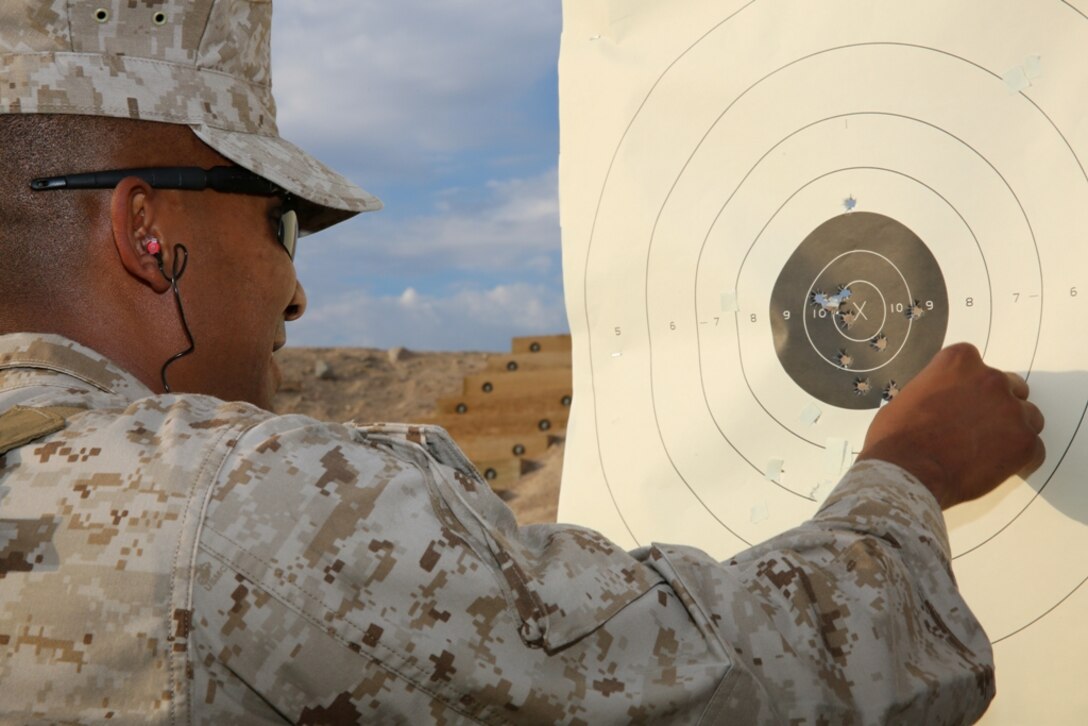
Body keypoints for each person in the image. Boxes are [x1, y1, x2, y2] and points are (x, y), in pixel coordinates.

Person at [0, 2, 1044, 723]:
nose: (296, 289)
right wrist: (909, 476)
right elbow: (745, 685)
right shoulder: (240, 509)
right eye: (282, 220)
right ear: (148, 233)